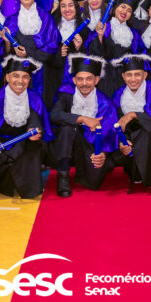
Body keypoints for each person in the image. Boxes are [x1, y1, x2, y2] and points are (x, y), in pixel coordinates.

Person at [0, 56, 54, 199]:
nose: (20, 81)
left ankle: (28, 187)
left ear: (29, 79)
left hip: (23, 144)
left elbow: (37, 122)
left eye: (25, 77)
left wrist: (35, 130)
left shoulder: (35, 98)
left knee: (36, 145)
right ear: (7, 77)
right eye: (16, 76)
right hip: (1, 144)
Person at [49, 54, 120, 197]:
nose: (84, 83)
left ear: (97, 80)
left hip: (90, 146)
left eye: (89, 79)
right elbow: (54, 115)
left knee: (94, 181)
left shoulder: (105, 102)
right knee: (68, 128)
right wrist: (81, 118)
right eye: (80, 79)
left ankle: (102, 165)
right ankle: (63, 175)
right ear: (74, 80)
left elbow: (111, 134)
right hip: (64, 145)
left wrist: (103, 154)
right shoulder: (66, 94)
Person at [111, 54, 151, 196]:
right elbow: (116, 122)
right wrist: (122, 141)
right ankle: (135, 172)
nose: (133, 79)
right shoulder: (119, 94)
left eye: (137, 74)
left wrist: (133, 114)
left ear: (145, 75)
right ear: (123, 76)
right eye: (129, 75)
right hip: (130, 136)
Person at [3, 0, 59, 99]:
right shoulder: (10, 20)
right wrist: (7, 42)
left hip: (42, 73)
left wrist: (28, 53)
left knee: (40, 104)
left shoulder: (47, 18)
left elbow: (52, 46)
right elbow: (5, 53)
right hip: (18, 74)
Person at [85, 0, 143, 96]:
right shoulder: (103, 27)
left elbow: (140, 55)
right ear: (115, 8)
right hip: (106, 78)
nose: (125, 11)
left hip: (126, 79)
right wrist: (100, 36)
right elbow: (93, 54)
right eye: (123, 7)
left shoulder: (134, 34)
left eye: (129, 10)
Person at [46, 0, 89, 107]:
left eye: (71, 5)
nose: (67, 9)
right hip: (54, 75)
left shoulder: (84, 29)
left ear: (76, 7)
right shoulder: (51, 27)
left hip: (74, 77)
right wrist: (57, 53)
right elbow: (43, 51)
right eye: (63, 6)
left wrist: (79, 47)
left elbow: (90, 56)